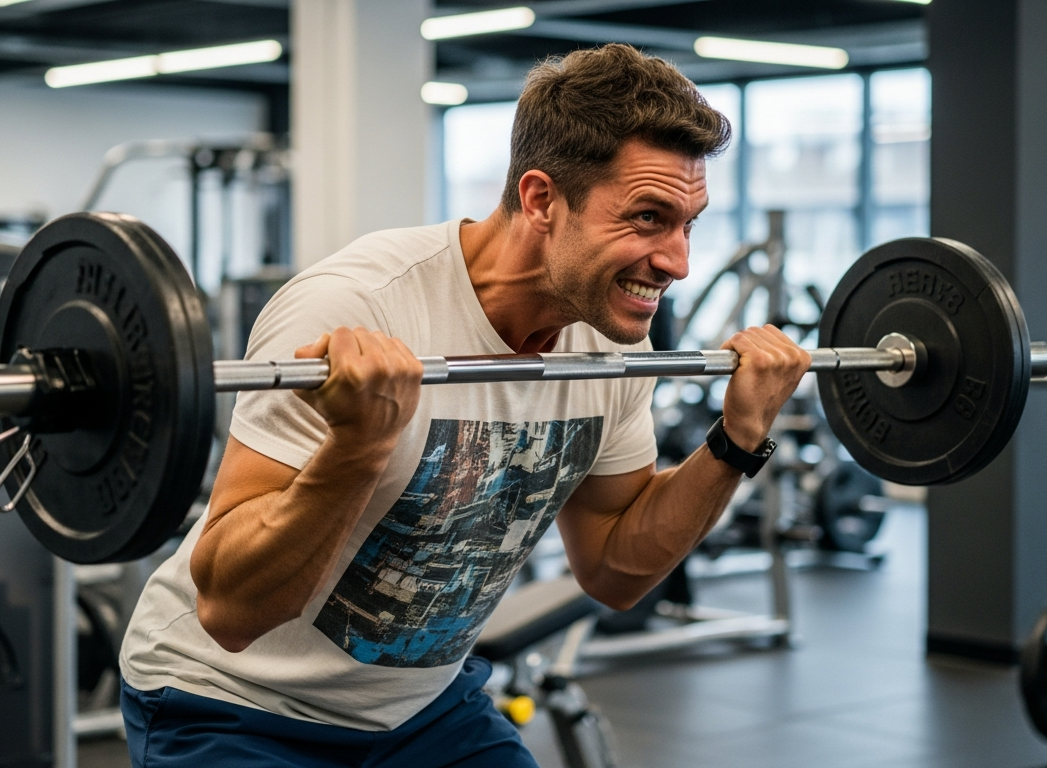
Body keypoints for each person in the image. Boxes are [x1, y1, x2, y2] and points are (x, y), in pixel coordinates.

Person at [119, 43, 810, 768]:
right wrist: (357, 448)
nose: (677, 261)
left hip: (421, 715)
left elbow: (613, 568)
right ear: (542, 199)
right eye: (646, 218)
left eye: (688, 224)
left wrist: (737, 439)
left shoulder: (608, 346)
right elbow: (232, 613)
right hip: (231, 702)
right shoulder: (355, 307)